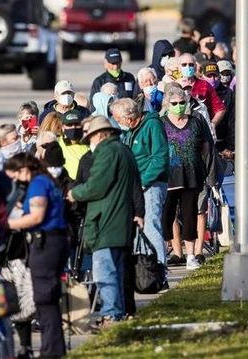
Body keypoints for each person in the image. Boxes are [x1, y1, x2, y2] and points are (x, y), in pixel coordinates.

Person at [67, 116, 141, 326]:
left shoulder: (107, 152)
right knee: (117, 271)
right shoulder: (123, 150)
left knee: (105, 272)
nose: (89, 142)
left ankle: (110, 313)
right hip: (120, 220)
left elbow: (96, 186)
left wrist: (75, 193)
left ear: (99, 135)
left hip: (106, 221)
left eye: (89, 137)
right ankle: (118, 311)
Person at [6, 153, 69, 359]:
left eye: (15, 176)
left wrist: (6, 225)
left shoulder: (38, 184)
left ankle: (51, 351)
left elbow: (36, 216)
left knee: (44, 298)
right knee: (48, 298)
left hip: (45, 243)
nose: (16, 181)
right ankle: (52, 348)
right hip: (54, 242)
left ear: (24, 169)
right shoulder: (45, 181)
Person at [110, 99, 169, 274]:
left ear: (129, 118)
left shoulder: (152, 125)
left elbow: (160, 158)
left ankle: (159, 271)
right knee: (138, 229)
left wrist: (143, 181)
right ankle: (144, 270)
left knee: (151, 227)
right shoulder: (131, 130)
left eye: (119, 119)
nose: (117, 122)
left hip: (150, 185)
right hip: (136, 185)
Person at [160, 86, 216, 270]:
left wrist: (209, 173)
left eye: (182, 102)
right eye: (174, 103)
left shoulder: (196, 121)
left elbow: (207, 147)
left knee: (190, 214)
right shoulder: (160, 123)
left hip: (192, 176)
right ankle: (167, 252)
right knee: (167, 216)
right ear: (167, 105)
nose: (179, 106)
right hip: (169, 178)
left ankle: (191, 255)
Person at [179, 53, 226, 128]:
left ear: (195, 67)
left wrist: (212, 125)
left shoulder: (205, 85)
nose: (187, 67)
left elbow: (220, 109)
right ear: (179, 67)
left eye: (191, 64)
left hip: (201, 131)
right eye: (184, 64)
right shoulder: (174, 86)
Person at [205, 61, 235, 153]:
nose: (213, 79)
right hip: (203, 144)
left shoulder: (228, 93)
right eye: (209, 76)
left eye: (215, 76)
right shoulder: (197, 91)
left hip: (223, 144)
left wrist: (230, 146)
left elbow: (232, 121)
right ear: (203, 76)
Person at [58, 109, 90, 180]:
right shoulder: (56, 144)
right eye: (69, 125)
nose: (73, 127)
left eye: (77, 124)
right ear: (63, 127)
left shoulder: (90, 142)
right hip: (67, 186)